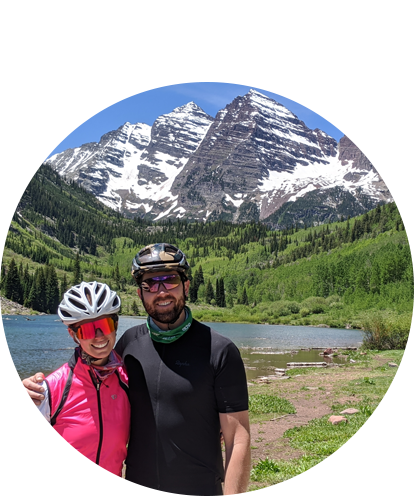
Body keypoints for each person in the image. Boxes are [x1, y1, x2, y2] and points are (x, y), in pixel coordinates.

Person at [18, 244, 251, 496]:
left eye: (170, 280)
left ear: (186, 285)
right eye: (150, 284)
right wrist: (36, 388)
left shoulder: (219, 350)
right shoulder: (129, 344)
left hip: (200, 489)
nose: (161, 291)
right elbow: (89, 370)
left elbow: (238, 439)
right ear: (140, 295)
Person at [11, 281, 130, 496]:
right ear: (73, 334)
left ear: (116, 324)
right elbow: (26, 471)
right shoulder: (47, 391)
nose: (99, 336)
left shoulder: (127, 384)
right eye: (86, 330)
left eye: (105, 325)